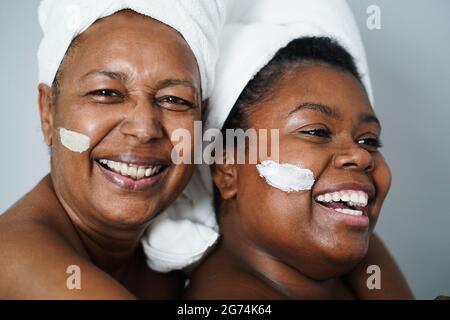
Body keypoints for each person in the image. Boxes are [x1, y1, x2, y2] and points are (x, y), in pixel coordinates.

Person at [0, 0, 225, 299]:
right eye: (106, 93)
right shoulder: (19, 262)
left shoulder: (171, 255)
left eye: (175, 100)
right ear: (48, 111)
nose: (144, 129)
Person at [185, 36, 413, 299]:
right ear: (228, 171)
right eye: (317, 131)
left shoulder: (357, 246)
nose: (361, 155)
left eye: (368, 140)